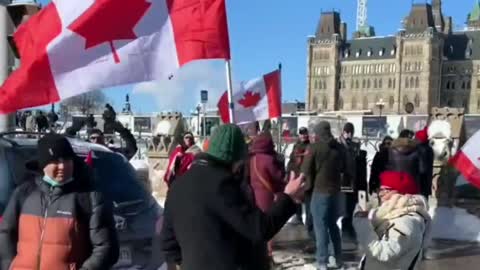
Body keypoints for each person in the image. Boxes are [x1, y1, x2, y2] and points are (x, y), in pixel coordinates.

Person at [160, 124, 305, 270]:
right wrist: (288, 197)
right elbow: (259, 229)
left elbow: (168, 243)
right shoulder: (223, 185)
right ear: (234, 160)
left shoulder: (177, 186)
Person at [0, 133, 119, 270]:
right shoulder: (24, 193)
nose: (62, 166)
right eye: (55, 161)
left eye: (67, 159)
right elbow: (6, 233)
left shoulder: (88, 197)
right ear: (43, 164)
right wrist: (9, 265)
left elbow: (106, 248)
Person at [355, 169, 431, 270]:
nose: (380, 194)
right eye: (380, 189)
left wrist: (363, 227)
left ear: (401, 192)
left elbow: (385, 253)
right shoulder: (392, 215)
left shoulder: (406, 222)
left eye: (386, 190)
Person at [302, 121, 345, 270]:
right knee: (333, 225)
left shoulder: (314, 148)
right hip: (336, 191)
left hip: (320, 191)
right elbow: (346, 167)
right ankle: (338, 258)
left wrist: (307, 186)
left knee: (320, 226)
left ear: (319, 133)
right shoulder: (339, 148)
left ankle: (322, 261)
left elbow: (305, 170)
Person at [248, 132, 286, 265]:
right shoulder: (269, 159)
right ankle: (268, 256)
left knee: (257, 226)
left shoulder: (250, 158)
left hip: (252, 196)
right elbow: (277, 178)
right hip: (266, 197)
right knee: (267, 227)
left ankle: (258, 254)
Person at [338, 122, 365, 243]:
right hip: (343, 180)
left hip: (354, 181)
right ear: (343, 132)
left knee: (351, 206)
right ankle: (345, 229)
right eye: (346, 131)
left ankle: (349, 227)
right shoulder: (338, 145)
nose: (348, 134)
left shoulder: (355, 146)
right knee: (344, 206)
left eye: (350, 132)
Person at [287, 127, 311, 225]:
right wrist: (289, 170)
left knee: (307, 197)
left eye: (304, 133)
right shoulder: (296, 146)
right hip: (296, 175)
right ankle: (298, 216)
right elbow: (292, 160)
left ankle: (309, 220)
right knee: (296, 198)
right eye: (301, 133)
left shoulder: (310, 146)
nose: (303, 135)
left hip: (306, 175)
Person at [415, 127, 434, 198]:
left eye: (416, 138)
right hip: (427, 180)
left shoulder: (419, 149)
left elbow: (422, 169)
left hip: (420, 181)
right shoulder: (429, 149)